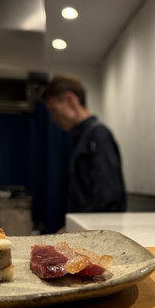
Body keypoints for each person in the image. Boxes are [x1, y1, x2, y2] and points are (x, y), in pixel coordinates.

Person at [42, 75, 127, 213]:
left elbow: (108, 197)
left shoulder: (97, 135)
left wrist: (81, 223)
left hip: (97, 224)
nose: (54, 119)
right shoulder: (82, 138)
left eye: (54, 110)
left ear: (70, 100)